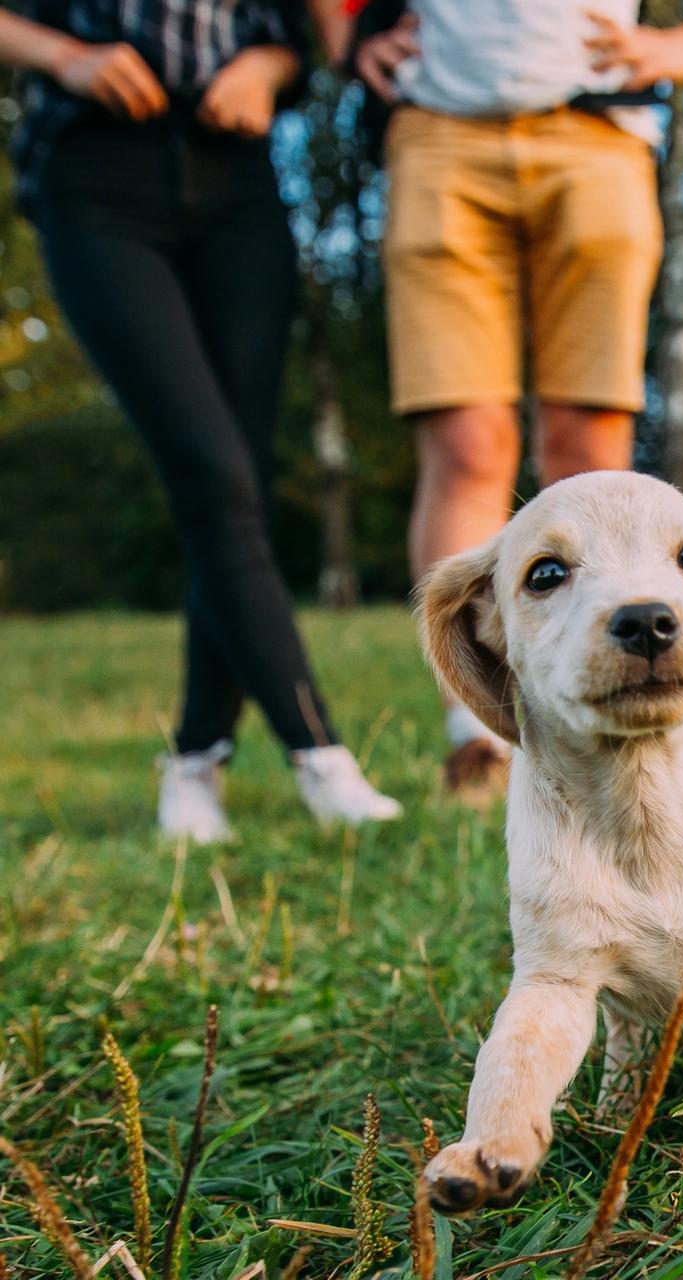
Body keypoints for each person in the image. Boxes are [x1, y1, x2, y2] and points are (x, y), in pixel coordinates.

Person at [338, 0, 683, 795]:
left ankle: (630, 702)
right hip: (437, 131)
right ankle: (478, 737)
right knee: (468, 447)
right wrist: (344, 39)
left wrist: (675, 48)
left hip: (597, 138)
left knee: (588, 450)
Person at [0, 0, 403, 842]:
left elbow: (298, 31)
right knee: (211, 470)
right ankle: (319, 753)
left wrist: (267, 68)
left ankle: (194, 764)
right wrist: (63, 55)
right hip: (96, 174)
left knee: (235, 489)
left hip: (238, 179)